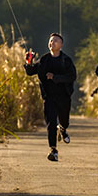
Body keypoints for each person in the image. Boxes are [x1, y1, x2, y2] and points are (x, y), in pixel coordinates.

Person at [24, 33, 77, 162]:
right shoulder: (44, 60)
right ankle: (53, 150)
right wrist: (29, 62)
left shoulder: (66, 60)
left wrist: (55, 77)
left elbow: (72, 77)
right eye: (51, 41)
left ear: (61, 45)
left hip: (64, 96)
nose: (52, 43)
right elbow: (31, 72)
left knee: (64, 120)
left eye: (55, 41)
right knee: (51, 123)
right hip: (49, 97)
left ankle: (63, 129)